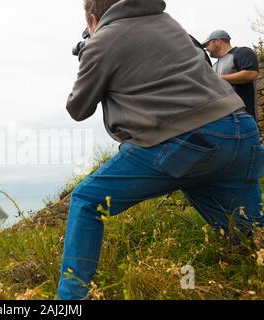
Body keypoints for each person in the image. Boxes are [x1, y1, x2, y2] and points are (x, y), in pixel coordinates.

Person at [58, 0, 264, 300]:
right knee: (251, 239)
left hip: (184, 145)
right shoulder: (170, 24)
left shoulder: (101, 41)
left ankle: (71, 300)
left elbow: (78, 108)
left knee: (87, 200)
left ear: (93, 19)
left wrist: (88, 57)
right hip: (241, 133)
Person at [203, 30, 260, 121]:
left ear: (217, 41)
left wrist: (216, 78)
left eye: (206, 44)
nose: (205, 49)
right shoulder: (213, 67)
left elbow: (251, 74)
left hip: (243, 118)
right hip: (221, 120)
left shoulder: (242, 52)